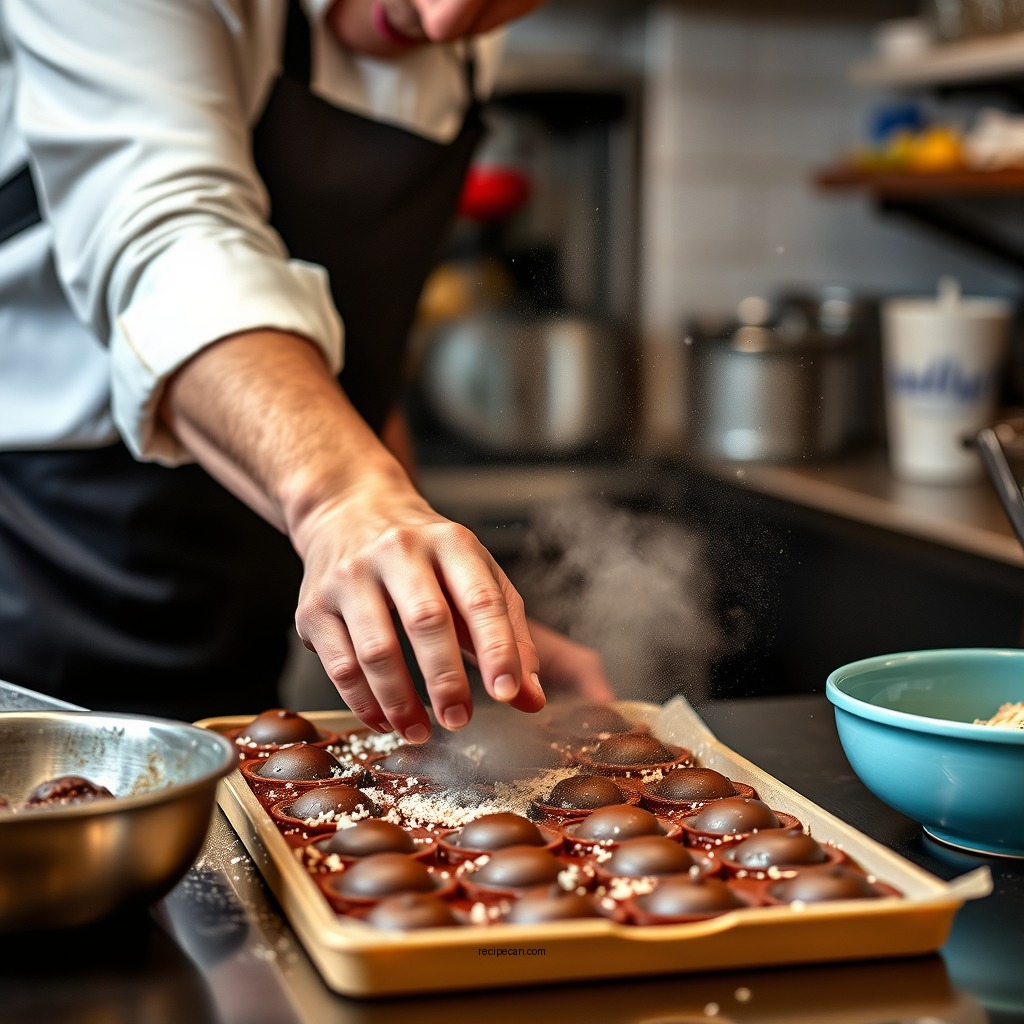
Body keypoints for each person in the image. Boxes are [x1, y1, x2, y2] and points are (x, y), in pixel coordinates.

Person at [0, 0, 613, 735]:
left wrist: (430, 594)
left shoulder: (447, 24)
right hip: (44, 545)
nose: (447, 19)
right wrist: (339, 496)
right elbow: (170, 245)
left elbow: (348, 350)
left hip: (255, 551)